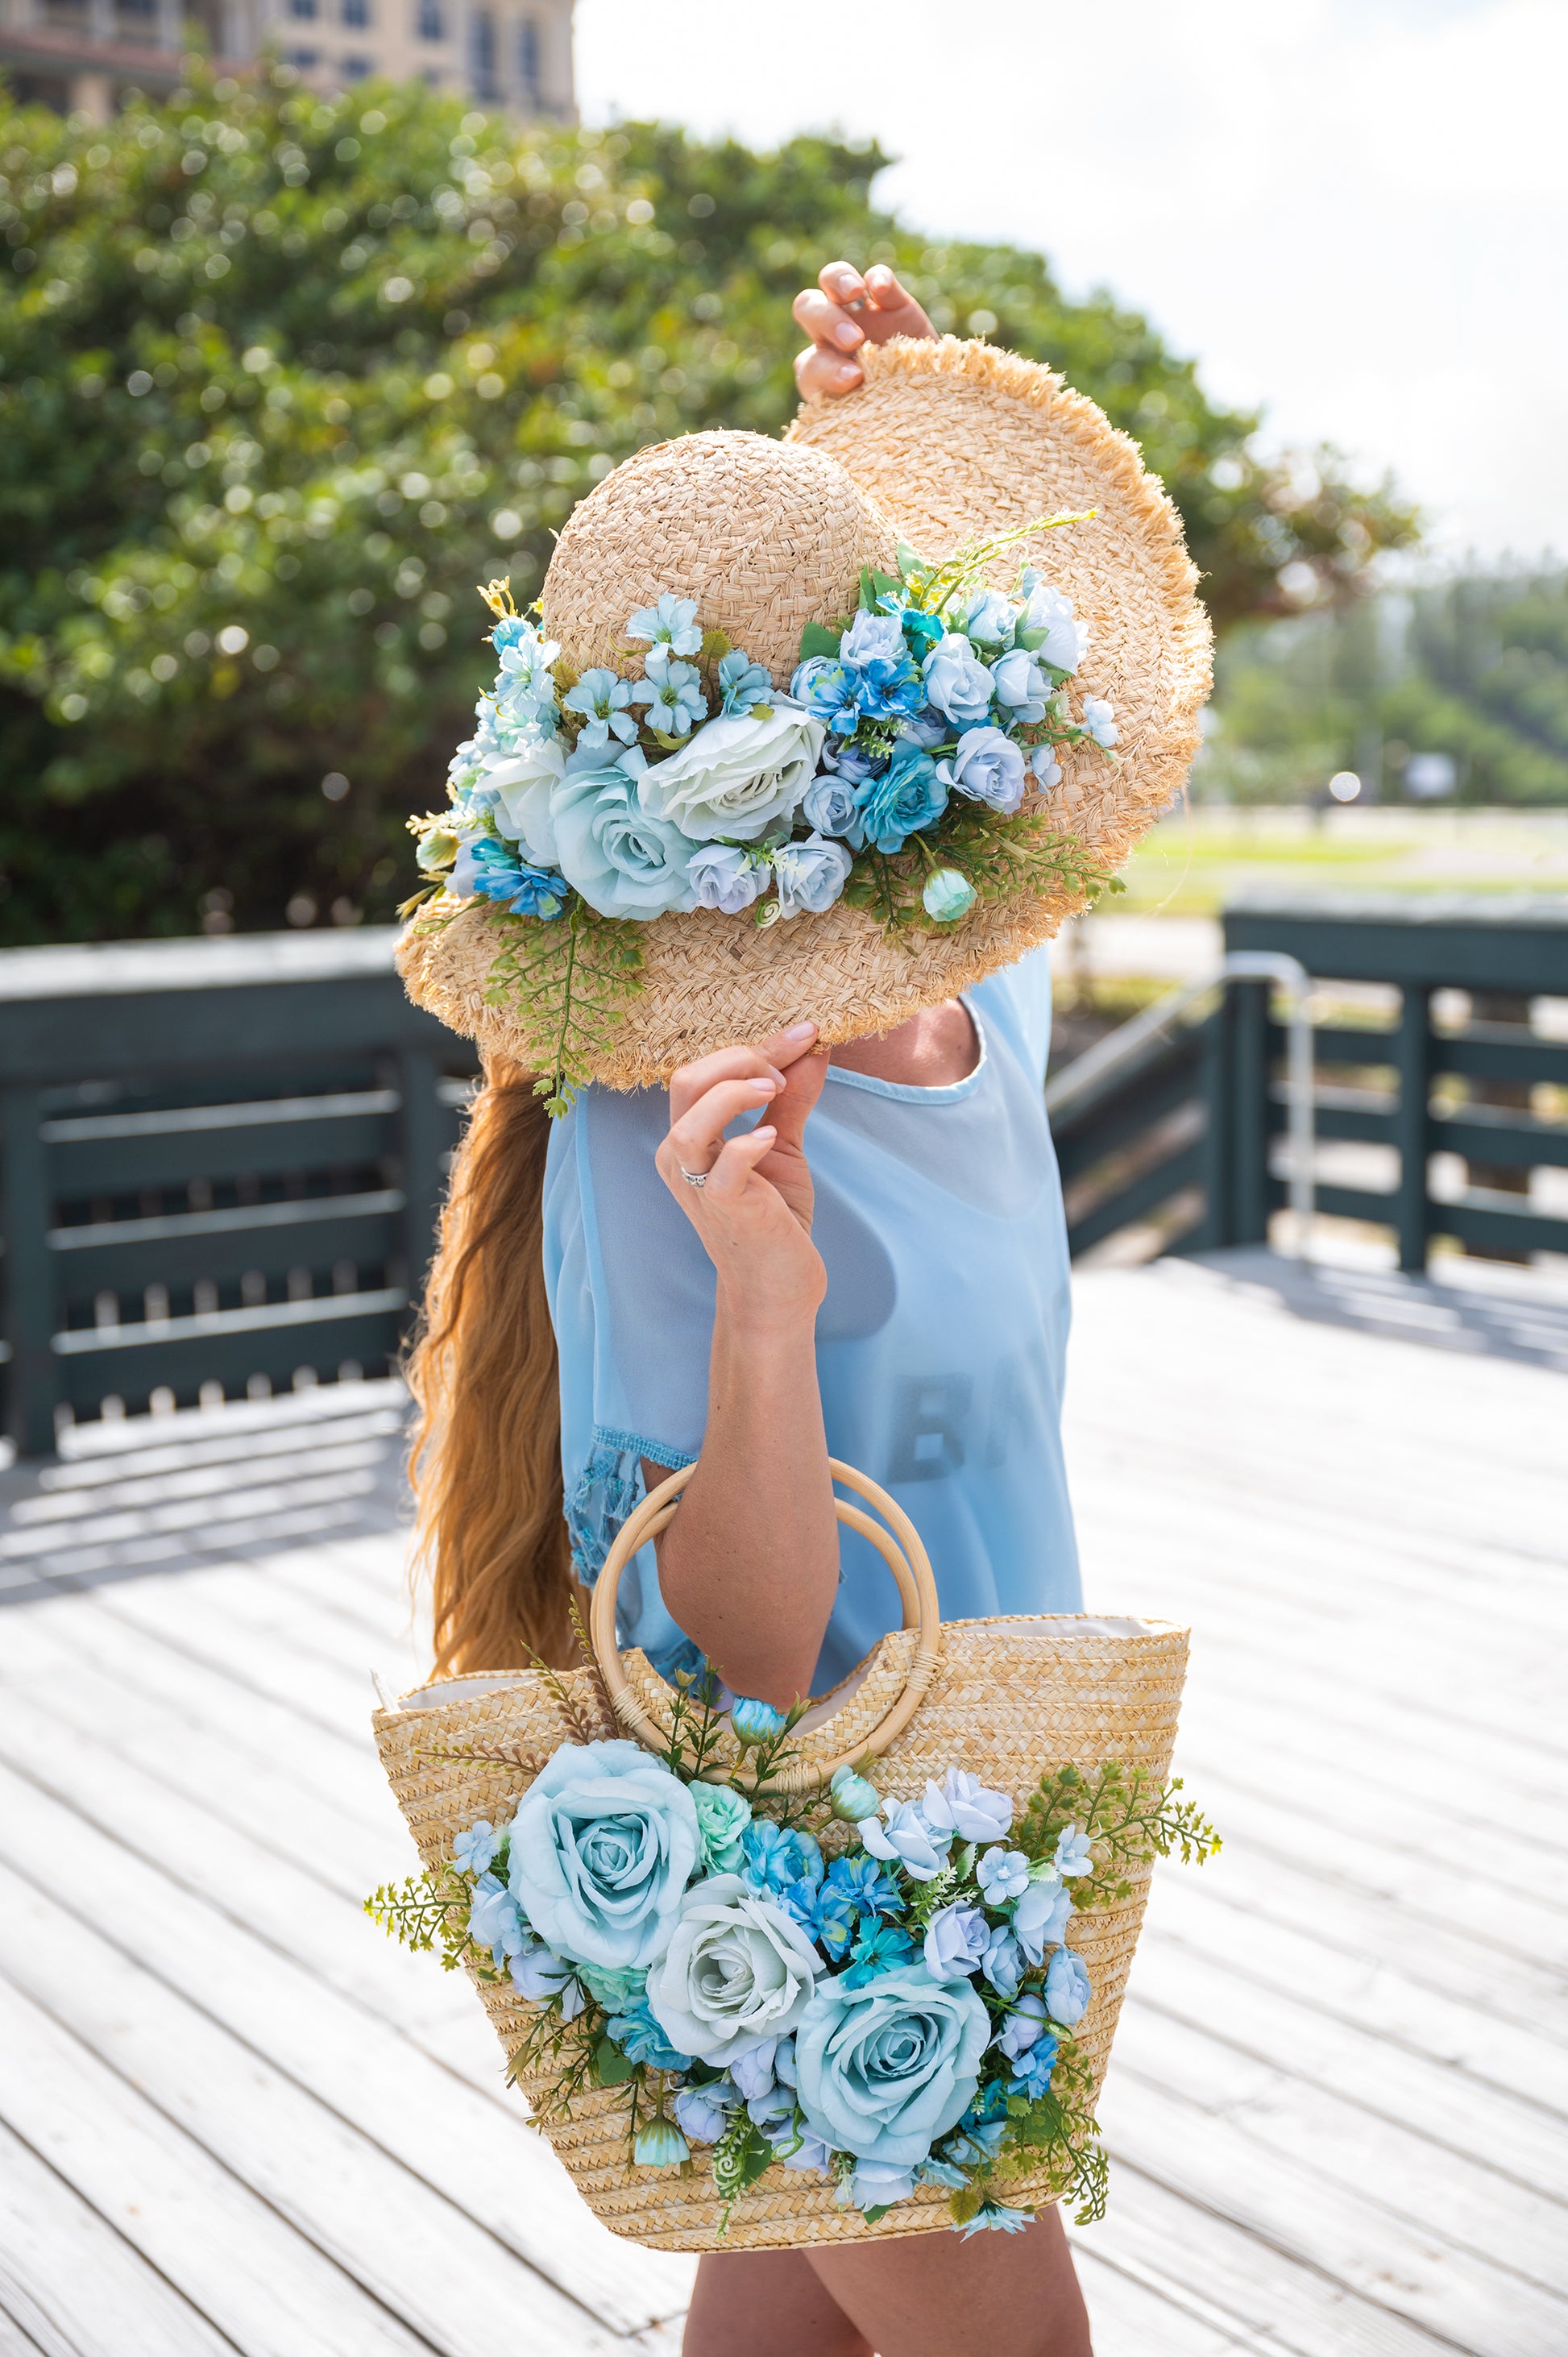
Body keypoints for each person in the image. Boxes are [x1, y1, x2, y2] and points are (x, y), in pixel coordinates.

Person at [408, 258, 1097, 2357]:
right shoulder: (657, 1133)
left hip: (998, 1829)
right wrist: (762, 1308)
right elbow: (721, 1661)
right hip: (793, 1901)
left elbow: (798, 606)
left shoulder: (984, 993)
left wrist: (860, 436)